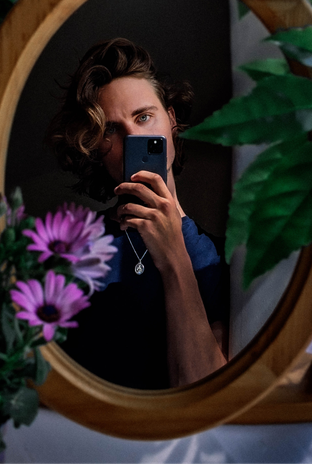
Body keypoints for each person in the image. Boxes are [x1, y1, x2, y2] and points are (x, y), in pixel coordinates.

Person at [46, 38, 229, 389]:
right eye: (111, 130)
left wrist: (173, 252)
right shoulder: (74, 249)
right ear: (97, 149)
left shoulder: (220, 258)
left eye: (144, 117)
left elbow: (206, 393)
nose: (133, 137)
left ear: (172, 121)